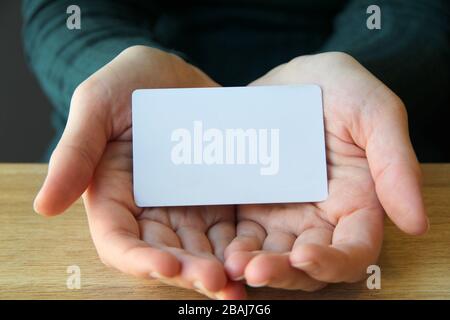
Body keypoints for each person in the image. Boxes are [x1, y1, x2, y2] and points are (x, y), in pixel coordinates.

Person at [23, 0, 448, 299]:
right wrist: (105, 68)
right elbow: (66, 10)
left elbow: (418, 10)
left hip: (344, 150)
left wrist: (363, 68)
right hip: (126, 151)